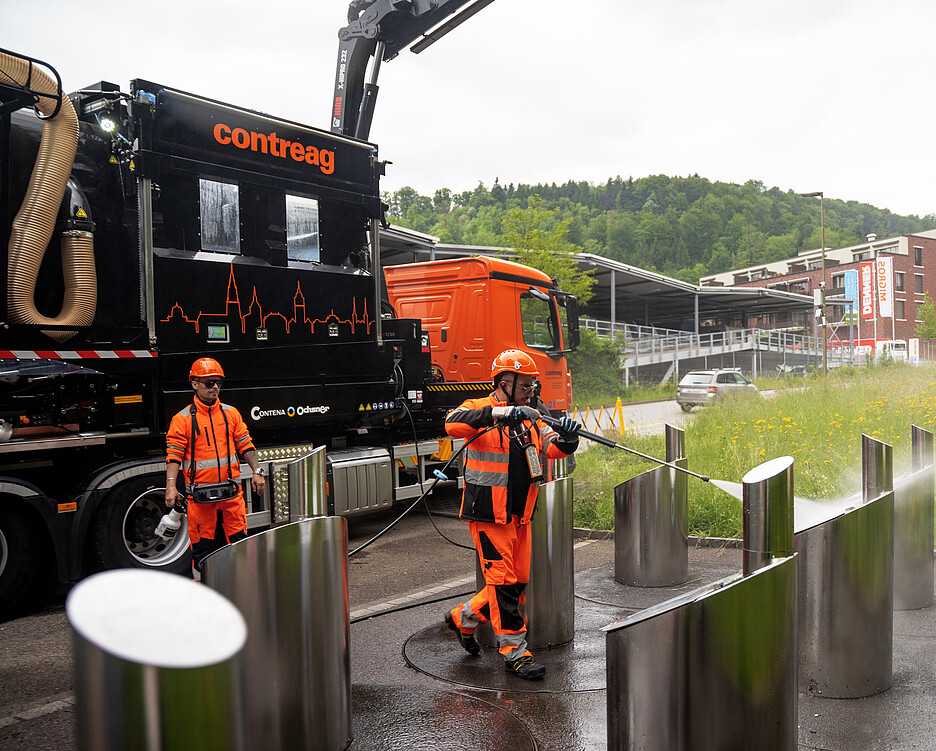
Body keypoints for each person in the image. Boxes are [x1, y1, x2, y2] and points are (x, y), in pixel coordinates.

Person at [443, 349, 580, 680]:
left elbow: (552, 447)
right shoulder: (480, 408)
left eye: (532, 387)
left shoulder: (533, 415)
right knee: (503, 585)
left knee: (516, 583)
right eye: (525, 387)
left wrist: (569, 437)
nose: (531, 392)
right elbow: (451, 424)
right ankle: (516, 654)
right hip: (490, 515)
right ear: (505, 382)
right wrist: (501, 413)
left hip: (521, 515)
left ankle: (465, 617)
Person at [165, 357, 265, 573]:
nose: (215, 387)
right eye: (209, 383)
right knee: (202, 550)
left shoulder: (231, 414)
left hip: (231, 496)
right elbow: (174, 454)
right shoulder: (182, 419)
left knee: (240, 544)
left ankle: (241, 589)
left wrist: (257, 471)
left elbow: (245, 445)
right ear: (195, 384)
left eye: (218, 382)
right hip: (200, 499)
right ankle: (203, 593)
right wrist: (171, 486)